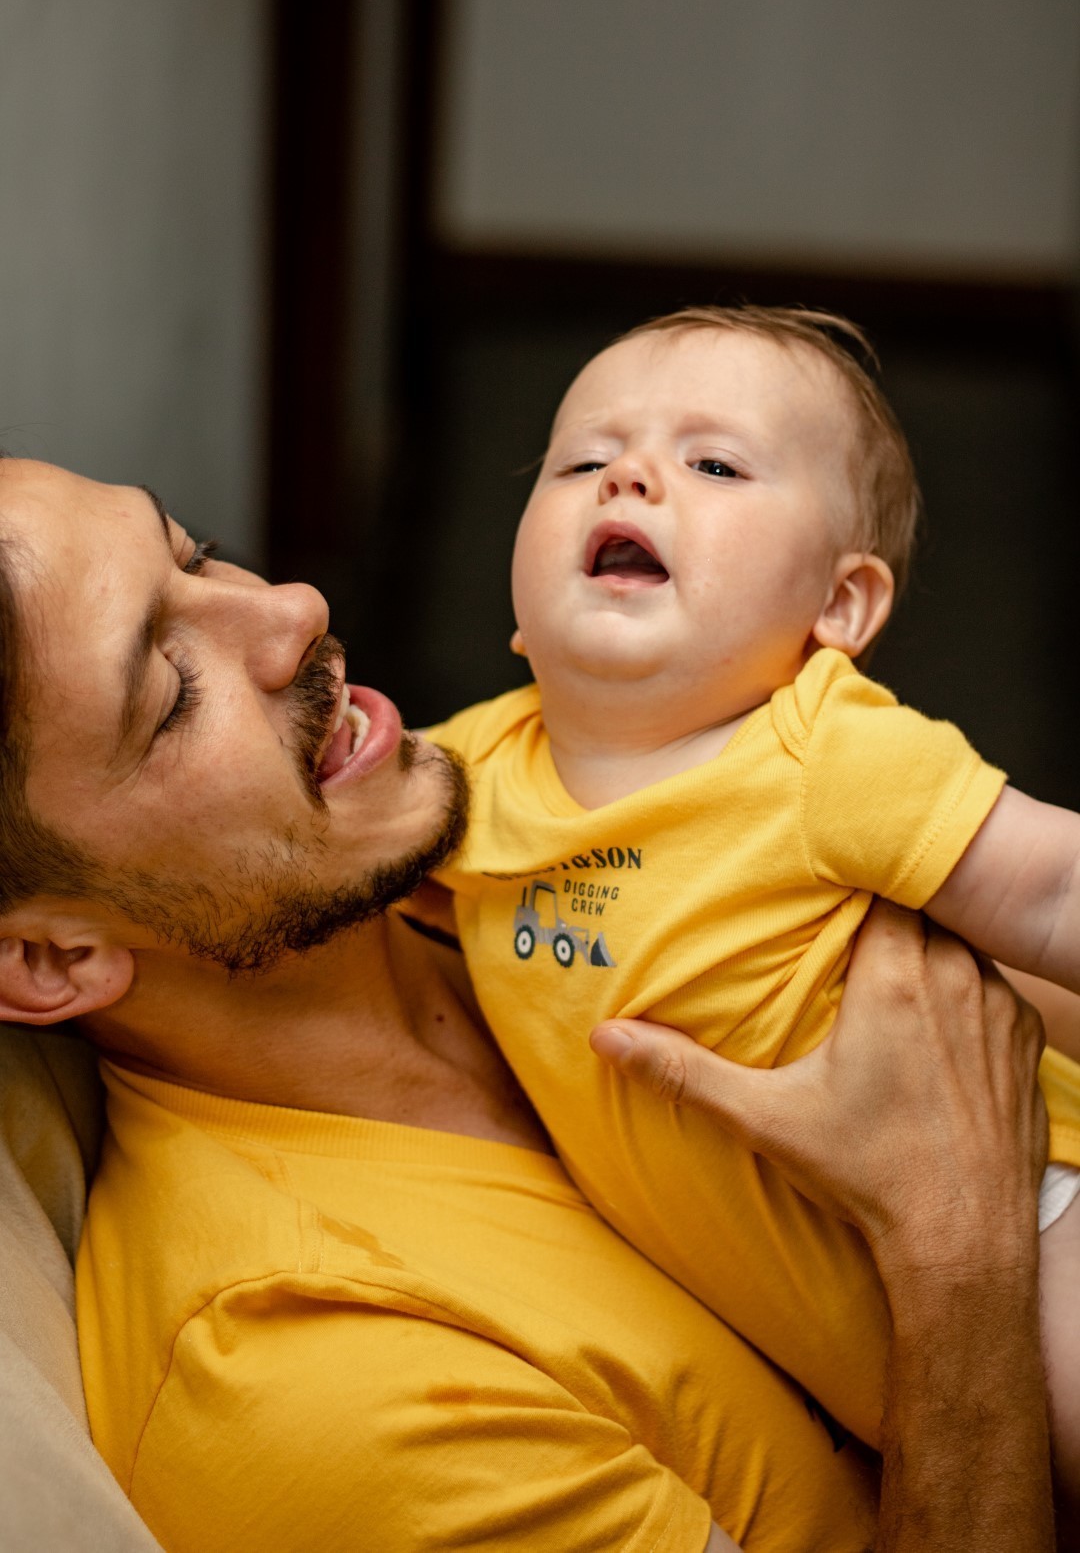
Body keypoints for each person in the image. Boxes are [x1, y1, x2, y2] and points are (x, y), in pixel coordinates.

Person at [0, 458, 1057, 1550]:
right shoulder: (308, 1387)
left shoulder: (526, 815)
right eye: (172, 694)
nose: (293, 611)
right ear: (48, 957)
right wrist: (956, 1250)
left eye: (200, 555)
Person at [421, 306, 1080, 1472]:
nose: (628, 477)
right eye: (581, 461)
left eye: (715, 465)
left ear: (840, 607)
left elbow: (1058, 891)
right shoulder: (472, 771)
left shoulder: (827, 754)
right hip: (848, 1357)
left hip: (1038, 1219)